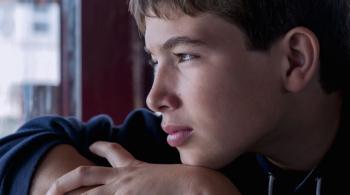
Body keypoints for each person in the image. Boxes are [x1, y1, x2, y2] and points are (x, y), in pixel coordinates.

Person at [0, 0, 349, 194]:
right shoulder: (184, 147)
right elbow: (18, 150)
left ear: (294, 60)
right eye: (154, 61)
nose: (155, 98)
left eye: (184, 56)